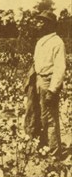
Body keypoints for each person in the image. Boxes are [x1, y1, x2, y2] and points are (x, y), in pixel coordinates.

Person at [24, 11, 66, 159]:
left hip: (48, 81)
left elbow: (60, 68)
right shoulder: (41, 41)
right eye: (39, 21)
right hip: (37, 80)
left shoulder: (57, 42)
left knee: (49, 117)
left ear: (49, 24)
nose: (39, 24)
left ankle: (54, 152)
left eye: (42, 21)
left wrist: (53, 90)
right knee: (36, 114)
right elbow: (36, 63)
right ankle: (42, 145)